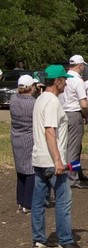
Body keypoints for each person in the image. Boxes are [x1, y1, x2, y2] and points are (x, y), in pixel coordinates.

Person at [31, 64, 86, 248]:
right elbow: (49, 131)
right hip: (51, 161)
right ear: (57, 81)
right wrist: (57, 160)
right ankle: (65, 241)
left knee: (38, 202)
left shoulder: (40, 99)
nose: (66, 84)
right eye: (64, 80)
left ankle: (39, 240)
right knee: (63, 201)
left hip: (38, 159)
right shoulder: (53, 102)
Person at [60, 54, 88, 188]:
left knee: (66, 146)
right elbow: (83, 104)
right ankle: (72, 177)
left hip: (62, 114)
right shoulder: (78, 80)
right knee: (74, 148)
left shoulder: (63, 78)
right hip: (74, 114)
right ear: (80, 65)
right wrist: (86, 116)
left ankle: (77, 171)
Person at [10, 75, 37, 214]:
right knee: (30, 170)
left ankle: (20, 201)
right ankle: (28, 202)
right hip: (29, 138)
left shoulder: (13, 99)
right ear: (31, 87)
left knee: (20, 169)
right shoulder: (33, 103)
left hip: (16, 137)